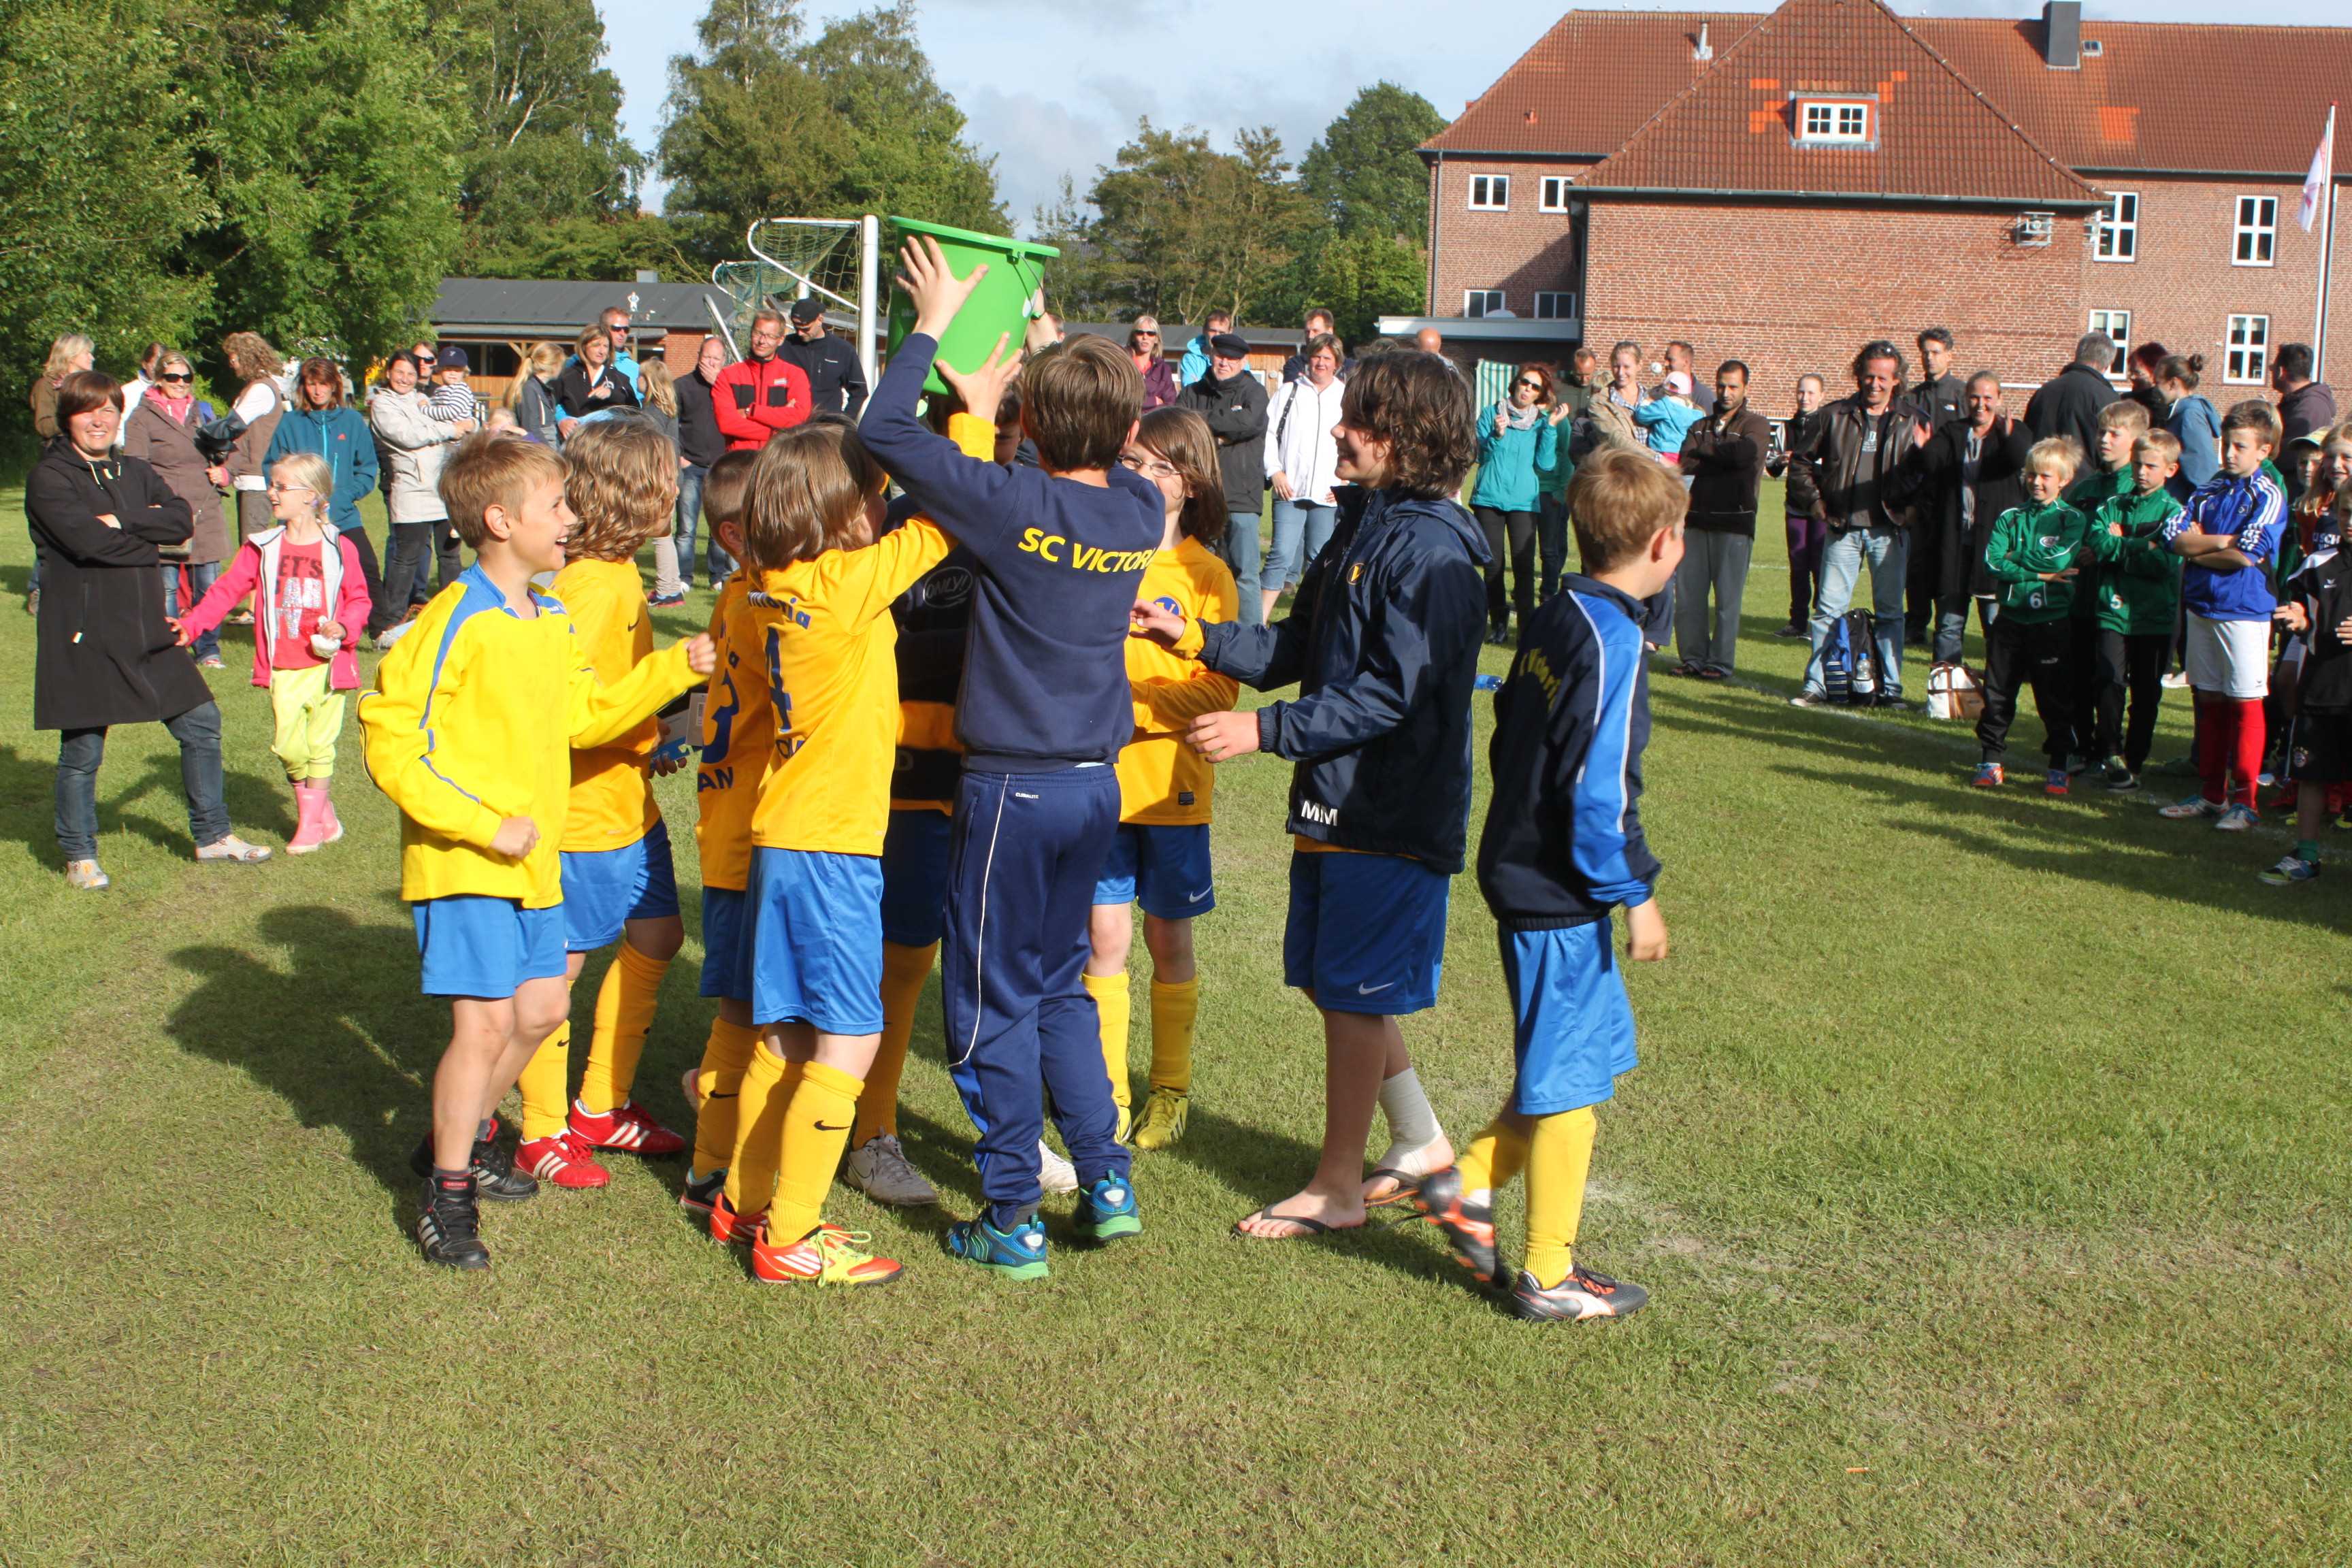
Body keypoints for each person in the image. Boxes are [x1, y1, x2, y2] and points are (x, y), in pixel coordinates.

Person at [860, 236, 1162, 1280]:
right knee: (1062, 987)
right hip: (1093, 789)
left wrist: (937, 326)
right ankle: (1106, 1183)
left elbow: (883, 429)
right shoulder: (1139, 508)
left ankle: (1011, 1216)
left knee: (990, 1001)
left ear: (1028, 424)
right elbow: (1096, 443)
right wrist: (1045, 340)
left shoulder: (1009, 502)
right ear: (1129, 432)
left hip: (1011, 790)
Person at [1134, 349, 1486, 1241]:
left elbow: (1391, 694)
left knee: (1355, 991)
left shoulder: (1434, 550)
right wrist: (1199, 637)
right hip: (1338, 799)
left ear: (1407, 438)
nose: (1339, 430)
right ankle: (1420, 1142)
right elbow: (1299, 644)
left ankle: (1337, 1187)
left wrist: (1264, 732)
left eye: (1359, 419)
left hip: (1389, 808)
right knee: (1335, 984)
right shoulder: (1365, 524)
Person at [359, 433, 713, 1269]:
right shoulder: (456, 617)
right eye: (555, 506)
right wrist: (481, 824)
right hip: (468, 860)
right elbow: (390, 737)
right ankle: (447, 1194)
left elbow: (585, 719)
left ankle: (457, 1136)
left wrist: (673, 670)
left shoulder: (549, 615)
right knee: (484, 1025)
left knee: (543, 1011)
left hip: (536, 861)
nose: (570, 518)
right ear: (499, 520)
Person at [1416, 446, 1680, 1322]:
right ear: (1664, 543)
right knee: (1573, 1090)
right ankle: (1547, 1274)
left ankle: (1466, 1183)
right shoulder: (1613, 640)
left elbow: (1510, 730)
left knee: (1575, 1063)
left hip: (1527, 864)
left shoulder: (1557, 609)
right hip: (1558, 888)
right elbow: (1599, 793)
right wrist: (1635, 893)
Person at [507, 416, 694, 1193]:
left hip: (629, 800)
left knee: (659, 933)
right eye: (667, 477)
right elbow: (570, 716)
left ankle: (599, 1104)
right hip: (585, 814)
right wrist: (672, 680)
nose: (677, 488)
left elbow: (614, 694)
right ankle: (541, 1127)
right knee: (559, 970)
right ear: (637, 492)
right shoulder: (589, 587)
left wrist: (654, 732)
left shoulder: (615, 573)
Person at [29, 372, 272, 889]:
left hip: (145, 624)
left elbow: (181, 522)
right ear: (69, 417)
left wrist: (119, 521)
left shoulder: (135, 470)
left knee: (200, 721)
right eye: (87, 411)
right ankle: (79, 855)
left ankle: (213, 836)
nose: (99, 420)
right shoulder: (50, 478)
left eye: (108, 410)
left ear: (119, 416)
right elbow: (87, 542)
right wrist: (143, 532)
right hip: (83, 632)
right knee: (83, 748)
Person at [1086, 407, 1240, 1152]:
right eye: (1133, 462)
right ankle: (1107, 1093)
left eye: (1162, 467)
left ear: (1193, 483)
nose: (1144, 477)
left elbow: (1221, 688)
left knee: (1168, 939)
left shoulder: (1208, 574)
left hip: (1172, 789)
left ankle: (1171, 1089)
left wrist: (1134, 707)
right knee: (1102, 936)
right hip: (1101, 784)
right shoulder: (1099, 554)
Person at [168, 452, 372, 853]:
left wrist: (344, 627)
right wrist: (191, 626)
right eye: (272, 485)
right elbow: (226, 591)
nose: (272, 493)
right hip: (284, 666)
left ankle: (309, 826)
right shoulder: (262, 548)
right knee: (289, 748)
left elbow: (360, 599)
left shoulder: (340, 547)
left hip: (329, 666)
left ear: (310, 495)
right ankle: (322, 813)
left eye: (281, 487)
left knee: (321, 745)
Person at [674, 451, 774, 1220]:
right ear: (739, 534)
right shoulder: (757, 606)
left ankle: (719, 1145)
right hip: (745, 836)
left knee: (752, 1003)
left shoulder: (739, 596)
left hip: (737, 827)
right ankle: (713, 1158)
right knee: (746, 1007)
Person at [2157, 401, 2288, 830]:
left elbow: (2247, 556)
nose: (2229, 453)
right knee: (2209, 698)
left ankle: (2245, 801)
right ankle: (2212, 793)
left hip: (2244, 611)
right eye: (2226, 444)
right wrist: (2222, 542)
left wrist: (2200, 550)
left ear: (2263, 451)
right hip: (2201, 606)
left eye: (2240, 446)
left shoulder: (2268, 493)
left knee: (2244, 701)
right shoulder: (2211, 487)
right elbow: (2174, 537)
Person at [1788, 342, 1922, 709]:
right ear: (1858, 375)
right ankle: (1817, 684)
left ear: (1896, 380)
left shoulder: (1913, 420)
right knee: (1827, 611)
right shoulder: (1833, 415)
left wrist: (1912, 510)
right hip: (1842, 527)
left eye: (1883, 378)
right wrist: (1816, 504)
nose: (1874, 384)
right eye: (1868, 376)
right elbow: (1800, 463)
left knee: (1891, 613)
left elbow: (1929, 472)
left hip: (1889, 530)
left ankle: (1892, 690)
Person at [1972, 438, 2093, 795]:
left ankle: (2059, 765)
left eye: (2045, 476)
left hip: (2051, 622)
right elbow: (1992, 563)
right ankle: (1990, 761)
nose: (2036, 482)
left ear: (2064, 480)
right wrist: (2038, 574)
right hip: (2010, 619)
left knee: (2054, 697)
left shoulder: (2072, 519)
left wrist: (2016, 557)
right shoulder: (2010, 517)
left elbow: (2061, 560)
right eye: (2030, 475)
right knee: (1997, 693)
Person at [1898, 372, 2034, 664]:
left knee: (1996, 623)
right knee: (1949, 622)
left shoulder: (2013, 431)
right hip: (1956, 543)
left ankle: (1998, 682)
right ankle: (1947, 680)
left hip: (1995, 546)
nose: (1980, 405)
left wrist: (2008, 437)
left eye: (1987, 398)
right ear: (1965, 399)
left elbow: (2018, 458)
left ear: (1999, 399)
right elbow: (1932, 463)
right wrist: (1921, 448)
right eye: (1974, 397)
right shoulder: (1953, 432)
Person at [2084, 430, 2185, 791]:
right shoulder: (2113, 504)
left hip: (2153, 615)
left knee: (2145, 693)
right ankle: (2110, 753)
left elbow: (2165, 563)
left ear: (2170, 470)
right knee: (2109, 680)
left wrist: (2121, 546)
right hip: (2113, 609)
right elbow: (2098, 544)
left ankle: (2135, 760)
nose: (2141, 472)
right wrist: (2143, 545)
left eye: (2151, 466)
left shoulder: (2174, 512)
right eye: (2138, 464)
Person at [120, 350, 233, 668]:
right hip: (165, 509)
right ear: (159, 379)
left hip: (205, 507)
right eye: (173, 377)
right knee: (167, 586)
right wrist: (150, 504)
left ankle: (208, 650)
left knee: (208, 586)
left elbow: (229, 451)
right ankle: (171, 649)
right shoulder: (142, 416)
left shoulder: (204, 412)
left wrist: (225, 472)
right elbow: (135, 466)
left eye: (186, 377)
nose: (180, 383)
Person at [2262, 485, 2352, 884]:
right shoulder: (2317, 564)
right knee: (2312, 775)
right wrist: (2298, 618)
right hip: (2322, 690)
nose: (2351, 522)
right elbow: (2301, 607)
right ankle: (2306, 855)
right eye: (2346, 512)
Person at [265, 357, 385, 638]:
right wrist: (293, 498)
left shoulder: (352, 421)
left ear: (334, 386)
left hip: (343, 515)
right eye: (311, 384)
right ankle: (293, 629)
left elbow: (367, 469)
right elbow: (272, 468)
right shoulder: (290, 423)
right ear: (303, 387)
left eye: (323, 384)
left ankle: (381, 629)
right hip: (300, 518)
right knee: (299, 577)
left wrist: (345, 496)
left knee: (366, 568)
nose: (318, 391)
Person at [2062, 399, 2153, 762]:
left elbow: (2147, 542)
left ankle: (2111, 749)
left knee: (2111, 678)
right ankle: (2081, 746)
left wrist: (2104, 549)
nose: (2104, 439)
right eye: (2102, 431)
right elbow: (2064, 533)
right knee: (2078, 676)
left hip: (2121, 602)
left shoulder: (2139, 489)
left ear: (2135, 441)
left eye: (2115, 433)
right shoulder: (2086, 487)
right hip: (2081, 598)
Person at [1670, 360, 1769, 679]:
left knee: (1727, 602)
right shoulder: (1700, 425)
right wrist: (1717, 455)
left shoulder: (1756, 424)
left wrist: (1707, 452)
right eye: (1722, 386)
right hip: (1697, 520)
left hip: (1735, 522)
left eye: (1733, 387)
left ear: (1745, 388)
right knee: (1689, 598)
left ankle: (1720, 663)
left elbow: (1744, 456)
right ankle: (1693, 658)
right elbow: (1685, 461)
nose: (1726, 392)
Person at [368, 351, 472, 643]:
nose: (405, 379)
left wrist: (464, 426)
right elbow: (408, 435)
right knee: (406, 558)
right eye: (399, 372)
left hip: (442, 487)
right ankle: (391, 623)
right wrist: (450, 430)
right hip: (411, 489)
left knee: (450, 554)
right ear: (388, 373)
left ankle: (454, 616)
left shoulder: (425, 399)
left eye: (411, 374)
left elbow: (465, 422)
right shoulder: (382, 404)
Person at [1177, 332, 1271, 626]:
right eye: (1220, 356)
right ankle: (1201, 628)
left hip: (1242, 496)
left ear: (1243, 362)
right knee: (1200, 567)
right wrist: (1223, 428)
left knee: (1245, 573)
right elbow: (1180, 424)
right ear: (1211, 355)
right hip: (1201, 494)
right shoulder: (1191, 392)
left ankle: (1251, 636)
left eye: (1232, 358)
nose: (1224, 363)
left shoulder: (1255, 392)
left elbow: (1249, 422)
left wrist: (1203, 422)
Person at [1261, 333, 1348, 621]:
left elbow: (1354, 438)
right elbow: (1268, 434)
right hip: (1289, 491)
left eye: (1327, 358)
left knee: (1319, 560)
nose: (1320, 363)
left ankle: (1311, 624)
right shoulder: (1289, 391)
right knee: (1280, 555)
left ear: (1337, 363)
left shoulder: (1345, 396)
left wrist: (1345, 482)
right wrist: (1275, 471)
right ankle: (1258, 621)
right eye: (1316, 356)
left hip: (1327, 495)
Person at [1471, 364, 1559, 643]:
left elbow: (1546, 464)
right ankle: (1498, 623)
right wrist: (1497, 435)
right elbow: (1479, 455)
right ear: (1515, 383)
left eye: (1535, 387)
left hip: (1523, 502)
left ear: (1540, 394)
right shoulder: (1491, 413)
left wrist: (1551, 429)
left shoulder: (1541, 422)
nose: (1527, 389)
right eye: (1525, 382)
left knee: (1524, 567)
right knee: (1493, 565)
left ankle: (1526, 629)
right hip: (1490, 498)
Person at [1767, 374, 1828, 637]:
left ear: (1822, 396)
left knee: (1820, 565)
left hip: (1821, 506)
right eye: (1801, 392)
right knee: (1798, 565)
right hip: (1795, 506)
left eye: (1811, 393)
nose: (1805, 398)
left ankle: (1821, 621)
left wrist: (1805, 461)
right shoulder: (1786, 428)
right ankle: (1797, 621)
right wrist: (1781, 460)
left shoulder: (1829, 425)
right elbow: (1771, 468)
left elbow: (1833, 464)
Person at [671, 336, 731, 595]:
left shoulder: (729, 387)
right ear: (698, 357)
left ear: (724, 361)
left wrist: (719, 385)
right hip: (691, 466)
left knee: (719, 527)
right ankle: (683, 576)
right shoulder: (682, 386)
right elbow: (672, 424)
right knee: (687, 527)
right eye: (707, 357)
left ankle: (717, 576)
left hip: (721, 468)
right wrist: (679, 457)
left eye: (716, 359)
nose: (711, 363)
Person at [1537, 348, 1598, 600]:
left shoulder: (1599, 392)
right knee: (1558, 527)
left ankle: (1588, 578)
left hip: (1589, 469)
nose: (1584, 379)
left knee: (1587, 528)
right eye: (1579, 374)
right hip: (1564, 467)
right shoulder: (1562, 390)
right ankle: (1554, 579)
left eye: (1588, 374)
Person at [220, 331, 287, 542]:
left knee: (253, 546)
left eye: (234, 358)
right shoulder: (255, 387)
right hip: (249, 478)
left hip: (257, 480)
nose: (232, 364)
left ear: (246, 357)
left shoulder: (261, 389)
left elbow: (233, 425)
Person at [712, 308, 811, 451]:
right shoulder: (729, 375)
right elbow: (726, 423)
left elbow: (799, 419)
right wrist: (778, 433)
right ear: (751, 333)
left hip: (779, 459)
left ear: (780, 340)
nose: (762, 341)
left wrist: (751, 411)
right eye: (758, 333)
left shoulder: (794, 375)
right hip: (740, 460)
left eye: (770, 336)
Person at [633, 357, 689, 607]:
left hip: (658, 481)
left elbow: (654, 452)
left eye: (640, 376)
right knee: (664, 534)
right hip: (671, 478)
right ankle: (671, 588)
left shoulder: (649, 415)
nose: (637, 380)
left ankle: (666, 590)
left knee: (640, 533)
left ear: (649, 381)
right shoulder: (669, 409)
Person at [2023, 331, 2121, 462]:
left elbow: (2028, 438)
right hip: (2085, 473)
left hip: (2042, 469)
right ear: (2107, 366)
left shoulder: (2044, 392)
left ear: (2078, 355)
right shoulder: (2107, 397)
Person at [779, 297, 869, 418]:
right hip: (791, 423)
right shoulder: (784, 346)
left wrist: (844, 422)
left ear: (820, 320)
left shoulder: (843, 350)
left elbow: (859, 392)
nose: (800, 333)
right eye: (796, 328)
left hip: (826, 425)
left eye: (805, 329)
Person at [2272, 344, 2338, 497]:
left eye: (2272, 369)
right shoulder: (2299, 403)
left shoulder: (2310, 406)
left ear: (2281, 371)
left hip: (2299, 492)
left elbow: (2294, 455)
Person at [552, 323, 638, 440]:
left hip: (607, 443)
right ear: (584, 346)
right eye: (596, 345)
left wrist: (612, 394)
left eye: (605, 346)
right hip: (576, 442)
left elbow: (634, 409)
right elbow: (549, 403)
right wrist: (561, 420)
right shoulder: (566, 376)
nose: (601, 351)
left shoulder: (618, 377)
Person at [2159, 354, 2221, 498]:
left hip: (2184, 504)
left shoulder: (2189, 415)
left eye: (2157, 382)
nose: (2154, 388)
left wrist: (2200, 505)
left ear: (2173, 383)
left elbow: (2201, 471)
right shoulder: (2181, 413)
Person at [1585, 341, 1646, 454]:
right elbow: (1616, 439)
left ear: (1639, 366)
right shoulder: (1600, 402)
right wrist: (1657, 458)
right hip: (1622, 463)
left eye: (1626, 367)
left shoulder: (1652, 399)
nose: (1621, 372)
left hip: (1658, 465)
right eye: (1616, 367)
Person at [508, 342, 566, 446]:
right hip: (540, 448)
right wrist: (547, 451)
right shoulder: (529, 389)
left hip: (549, 446)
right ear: (554, 365)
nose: (562, 369)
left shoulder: (546, 390)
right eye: (561, 365)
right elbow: (530, 429)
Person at [1280, 309, 1355, 382]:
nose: (1310, 336)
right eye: (1307, 332)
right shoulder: (1295, 365)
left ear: (1330, 331)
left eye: (1315, 331)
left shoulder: (1352, 368)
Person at [1912, 328, 1965, 431]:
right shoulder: (1912, 397)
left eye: (1935, 353)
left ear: (1949, 356)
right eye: (1925, 353)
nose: (1929, 358)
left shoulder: (1962, 394)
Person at [425, 346, 480, 427]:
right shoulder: (440, 390)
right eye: (448, 369)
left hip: (455, 432)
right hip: (441, 430)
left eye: (457, 370)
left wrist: (424, 409)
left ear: (464, 372)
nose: (452, 373)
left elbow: (451, 412)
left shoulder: (461, 389)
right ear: (440, 370)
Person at [1129, 318, 1179, 410]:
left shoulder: (1164, 370)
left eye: (1150, 333)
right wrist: (1153, 401)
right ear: (1133, 337)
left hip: (1156, 419)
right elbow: (1118, 399)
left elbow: (1170, 404)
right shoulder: (1122, 364)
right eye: (1140, 333)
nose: (1145, 337)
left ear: (1156, 339)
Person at [1179, 309, 1235, 389]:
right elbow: (1190, 392)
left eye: (1222, 333)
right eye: (1213, 331)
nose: (1217, 336)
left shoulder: (1238, 360)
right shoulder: (1191, 359)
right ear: (1204, 330)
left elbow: (1245, 391)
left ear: (1230, 332)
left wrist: (1201, 386)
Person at [2124, 342, 2171, 423]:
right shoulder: (2127, 400)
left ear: (2156, 373)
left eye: (2138, 373)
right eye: (2130, 372)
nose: (2132, 377)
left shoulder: (2161, 408)